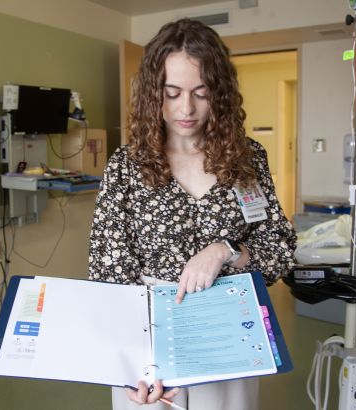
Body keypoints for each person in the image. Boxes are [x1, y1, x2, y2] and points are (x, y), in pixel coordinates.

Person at [88, 18, 296, 410]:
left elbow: (277, 246)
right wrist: (136, 364)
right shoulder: (127, 166)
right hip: (148, 348)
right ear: (154, 94)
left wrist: (225, 250)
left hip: (228, 334)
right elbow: (109, 272)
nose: (186, 109)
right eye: (172, 93)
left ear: (220, 93)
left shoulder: (246, 159)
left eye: (201, 93)